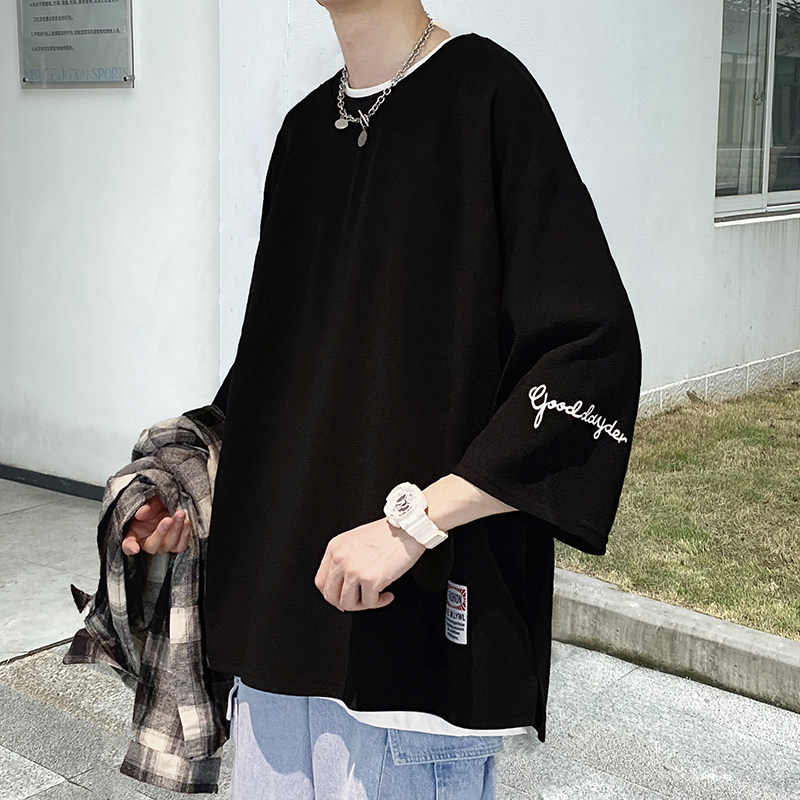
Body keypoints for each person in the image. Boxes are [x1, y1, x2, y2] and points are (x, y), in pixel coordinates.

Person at [123, 2, 643, 798]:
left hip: (415, 666)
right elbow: (276, 377)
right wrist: (188, 490)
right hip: (275, 651)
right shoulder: (304, 134)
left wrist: (416, 522)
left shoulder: (488, 96)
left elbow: (588, 357)